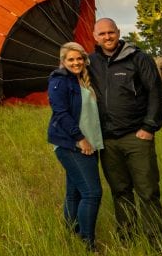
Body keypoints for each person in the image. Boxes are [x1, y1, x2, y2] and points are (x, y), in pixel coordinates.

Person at [89, 17, 162, 249]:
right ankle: (127, 239)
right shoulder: (91, 62)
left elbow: (156, 93)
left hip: (136, 136)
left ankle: (156, 242)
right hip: (107, 140)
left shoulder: (138, 59)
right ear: (95, 37)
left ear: (118, 32)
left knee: (147, 190)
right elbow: (68, 72)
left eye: (110, 32)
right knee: (120, 191)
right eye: (102, 34)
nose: (107, 37)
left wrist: (148, 127)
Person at [48, 41, 104, 252]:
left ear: (84, 59)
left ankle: (71, 235)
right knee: (92, 193)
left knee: (75, 193)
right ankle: (88, 243)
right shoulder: (60, 80)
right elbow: (60, 113)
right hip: (73, 145)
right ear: (63, 62)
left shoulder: (82, 80)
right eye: (71, 59)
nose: (76, 62)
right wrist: (80, 138)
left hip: (89, 143)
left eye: (79, 58)